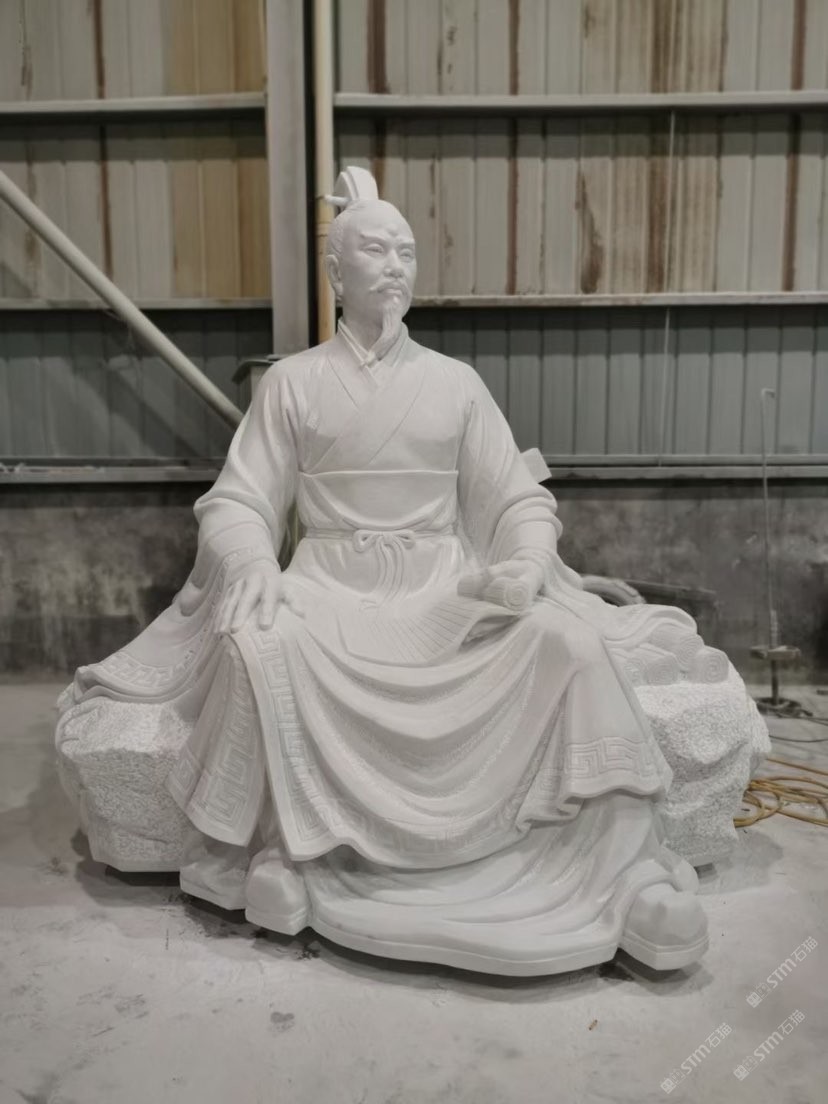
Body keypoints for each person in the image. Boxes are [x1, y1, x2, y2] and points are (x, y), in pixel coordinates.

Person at [59, 170, 711, 975]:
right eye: (376, 249)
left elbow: (516, 499)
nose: (397, 265)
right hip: (333, 589)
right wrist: (254, 560)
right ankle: (282, 852)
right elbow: (238, 500)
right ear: (337, 273)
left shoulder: (456, 384)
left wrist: (524, 560)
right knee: (259, 644)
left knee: (570, 646)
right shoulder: (293, 384)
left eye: (407, 251)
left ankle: (621, 872)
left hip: (443, 590)